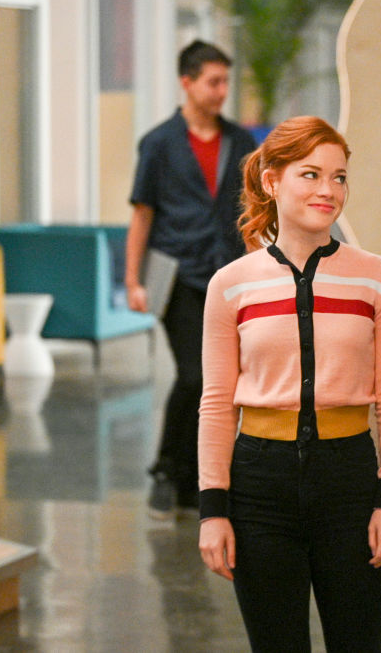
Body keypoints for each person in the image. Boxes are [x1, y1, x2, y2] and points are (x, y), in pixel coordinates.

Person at [196, 116, 381, 652]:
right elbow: (217, 404)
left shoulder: (377, 278)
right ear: (272, 180)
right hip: (257, 484)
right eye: (311, 174)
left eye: (339, 178)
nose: (328, 190)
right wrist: (213, 510)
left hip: (350, 481)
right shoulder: (230, 285)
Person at [125, 39, 257, 520]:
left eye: (226, 81)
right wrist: (132, 280)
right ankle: (168, 464)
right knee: (194, 375)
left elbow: (250, 212)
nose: (222, 91)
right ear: (187, 82)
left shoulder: (241, 142)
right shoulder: (158, 143)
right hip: (176, 275)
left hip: (227, 275)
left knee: (219, 380)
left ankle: (190, 472)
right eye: (213, 81)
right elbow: (142, 214)